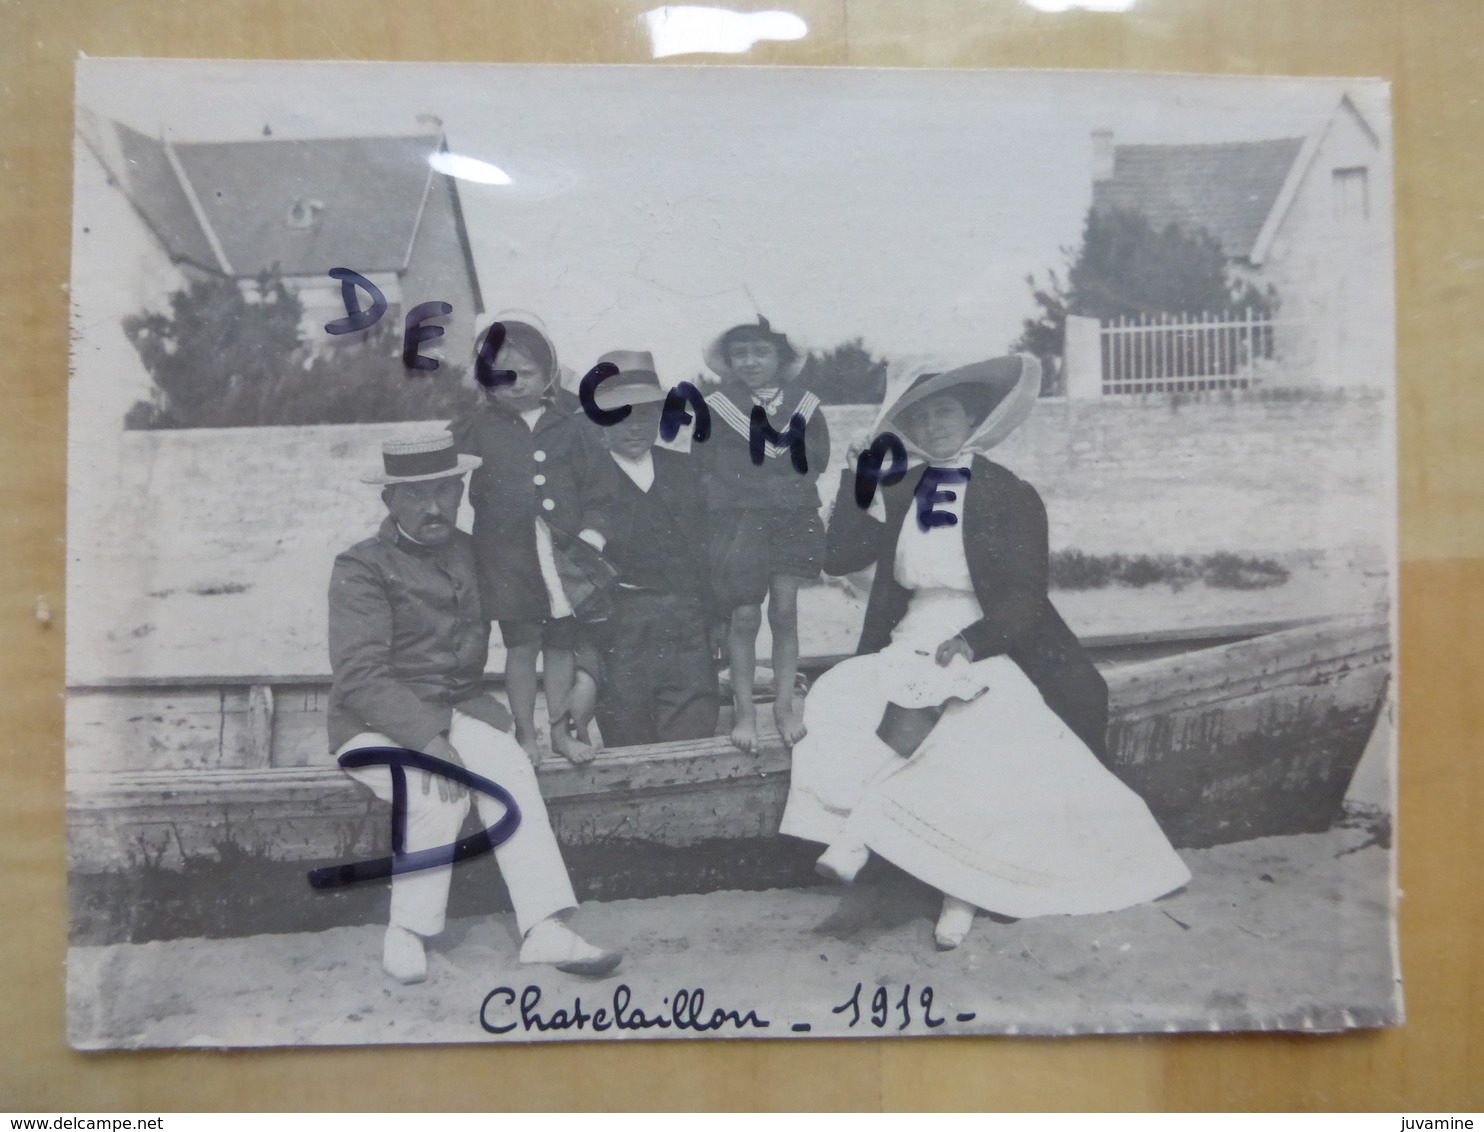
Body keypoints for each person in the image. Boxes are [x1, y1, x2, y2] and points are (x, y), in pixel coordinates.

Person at [778, 355, 1190, 951]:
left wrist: (972, 643)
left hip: (993, 633)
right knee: (844, 695)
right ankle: (864, 835)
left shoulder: (1009, 492)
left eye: (945, 412)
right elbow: (839, 558)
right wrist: (857, 478)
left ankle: (958, 892)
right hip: (912, 630)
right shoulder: (898, 487)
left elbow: (1026, 595)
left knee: (980, 726)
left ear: (972, 416)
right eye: (920, 417)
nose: (933, 425)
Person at [327, 433, 622, 984]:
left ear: (462, 489)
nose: (434, 507)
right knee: (436, 794)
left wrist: (585, 670)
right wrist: (428, 740)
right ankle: (409, 930)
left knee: (509, 769)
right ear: (388, 502)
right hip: (371, 726)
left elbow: (548, 610)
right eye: (415, 496)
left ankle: (545, 928)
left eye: (445, 490)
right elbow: (359, 676)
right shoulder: (361, 566)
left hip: (459, 709)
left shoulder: (473, 550)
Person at [449, 315, 609, 765]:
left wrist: (592, 536)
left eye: (528, 374)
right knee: (521, 647)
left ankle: (559, 733)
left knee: (560, 645)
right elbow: (437, 472)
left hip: (562, 560)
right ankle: (525, 735)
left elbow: (601, 491)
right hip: (505, 559)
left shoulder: (573, 428)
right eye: (504, 376)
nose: (516, 385)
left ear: (549, 374)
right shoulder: (473, 428)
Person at [697, 316, 830, 752]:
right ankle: (745, 712)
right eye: (741, 353)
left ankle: (784, 707)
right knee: (744, 615)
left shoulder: (804, 403)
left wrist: (779, 485)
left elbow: (816, 460)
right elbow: (707, 465)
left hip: (791, 517)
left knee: (786, 610)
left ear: (781, 356)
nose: (750, 361)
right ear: (730, 361)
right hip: (739, 521)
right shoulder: (718, 405)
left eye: (761, 351)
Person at [586, 350, 721, 747]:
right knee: (627, 733)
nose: (634, 426)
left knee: (692, 732)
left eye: (645, 414)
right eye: (620, 415)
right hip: (619, 626)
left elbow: (706, 552)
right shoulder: (588, 477)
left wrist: (716, 620)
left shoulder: (683, 471)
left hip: (686, 622)